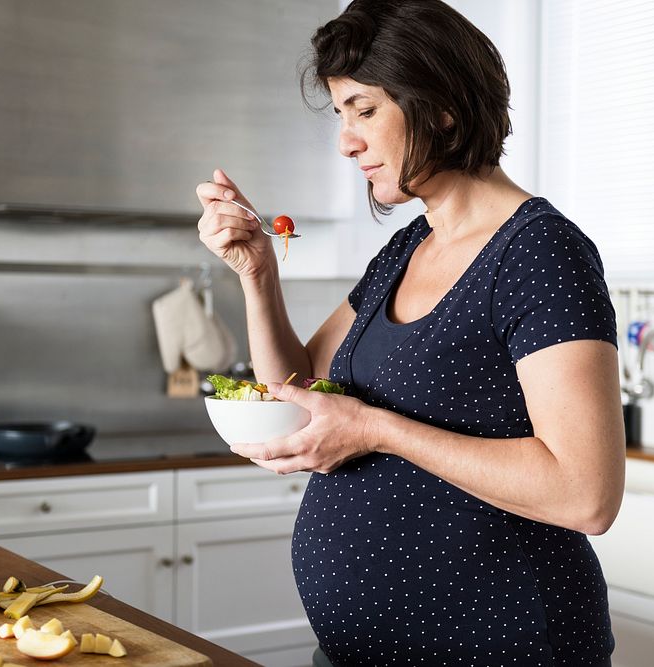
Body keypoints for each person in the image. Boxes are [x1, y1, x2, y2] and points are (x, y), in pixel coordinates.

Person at [195, 1, 625, 664]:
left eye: (364, 109)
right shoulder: (407, 248)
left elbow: (586, 493)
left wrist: (375, 428)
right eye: (341, 115)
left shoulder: (540, 252)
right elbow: (296, 393)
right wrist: (256, 273)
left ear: (442, 104)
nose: (346, 140)